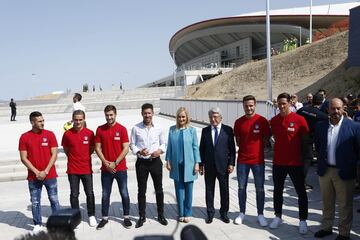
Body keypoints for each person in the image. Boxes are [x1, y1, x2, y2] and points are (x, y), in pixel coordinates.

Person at [314, 98, 360, 240]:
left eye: (339, 108)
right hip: (325, 171)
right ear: (328, 110)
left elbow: (358, 150)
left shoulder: (354, 127)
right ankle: (327, 227)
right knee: (327, 202)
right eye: (333, 108)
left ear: (343, 108)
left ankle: (344, 233)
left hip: (344, 172)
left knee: (345, 204)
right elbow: (319, 145)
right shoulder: (321, 126)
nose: (336, 111)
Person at [269, 93, 309, 234]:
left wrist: (304, 161)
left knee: (301, 192)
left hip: (295, 163)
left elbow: (306, 143)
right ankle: (277, 216)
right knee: (277, 191)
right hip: (278, 162)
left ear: (290, 103)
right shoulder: (273, 121)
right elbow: (271, 138)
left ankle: (303, 220)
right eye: (279, 104)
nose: (281, 106)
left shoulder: (300, 119)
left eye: (284, 103)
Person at [19, 111, 61, 233]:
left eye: (43, 120)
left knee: (54, 199)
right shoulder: (24, 137)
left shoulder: (50, 134)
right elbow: (23, 158)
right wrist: (37, 172)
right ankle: (37, 224)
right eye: (40, 121)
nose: (43, 123)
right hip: (34, 177)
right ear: (32, 122)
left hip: (50, 175)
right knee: (35, 201)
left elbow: (54, 154)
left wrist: (46, 171)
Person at [233, 95, 270, 226]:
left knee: (260, 188)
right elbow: (237, 140)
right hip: (242, 160)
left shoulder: (262, 121)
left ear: (255, 105)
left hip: (258, 161)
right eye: (246, 106)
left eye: (251, 105)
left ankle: (260, 214)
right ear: (243, 106)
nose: (248, 108)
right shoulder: (238, 122)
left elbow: (266, 140)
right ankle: (241, 213)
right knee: (241, 188)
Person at [130, 103, 168, 228]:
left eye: (149, 113)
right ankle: (142, 216)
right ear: (142, 114)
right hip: (141, 163)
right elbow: (132, 144)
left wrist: (159, 151)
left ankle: (161, 215)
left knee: (159, 189)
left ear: (153, 113)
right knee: (141, 190)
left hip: (155, 162)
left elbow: (164, 144)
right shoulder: (136, 128)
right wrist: (139, 151)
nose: (147, 115)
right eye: (145, 113)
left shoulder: (159, 128)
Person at [94, 105, 132, 229]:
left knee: (124, 193)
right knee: (105, 194)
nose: (109, 117)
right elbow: (97, 148)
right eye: (107, 115)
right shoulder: (100, 129)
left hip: (120, 168)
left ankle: (126, 217)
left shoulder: (122, 129)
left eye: (111, 115)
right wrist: (106, 163)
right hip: (106, 169)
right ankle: (104, 218)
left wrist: (115, 163)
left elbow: (126, 148)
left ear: (115, 114)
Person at [199, 107, 235, 224]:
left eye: (215, 117)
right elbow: (201, 149)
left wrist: (231, 163)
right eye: (211, 117)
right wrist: (201, 165)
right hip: (209, 166)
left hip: (223, 166)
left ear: (220, 117)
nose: (213, 119)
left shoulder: (228, 130)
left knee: (224, 190)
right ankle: (210, 213)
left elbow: (232, 149)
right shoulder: (205, 131)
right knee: (209, 190)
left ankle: (224, 213)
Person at [165, 107, 201, 223]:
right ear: (177, 118)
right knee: (179, 189)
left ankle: (188, 212)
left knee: (189, 190)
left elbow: (196, 148)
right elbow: (169, 147)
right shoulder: (172, 130)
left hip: (189, 165)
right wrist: (168, 161)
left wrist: (197, 163)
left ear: (187, 118)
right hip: (176, 165)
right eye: (179, 117)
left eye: (183, 117)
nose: (181, 119)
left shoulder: (192, 130)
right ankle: (180, 213)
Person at [61, 110, 97, 227]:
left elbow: (92, 149)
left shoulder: (90, 133)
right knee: (74, 194)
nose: (78, 122)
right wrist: (74, 158)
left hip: (86, 168)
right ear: (72, 119)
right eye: (76, 119)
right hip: (73, 170)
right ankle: (76, 217)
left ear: (84, 119)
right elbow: (66, 150)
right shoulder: (67, 134)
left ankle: (91, 215)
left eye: (80, 119)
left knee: (90, 193)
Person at [296, 93, 328, 190]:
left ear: (312, 100)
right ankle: (301, 182)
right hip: (308, 139)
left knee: (299, 158)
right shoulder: (322, 116)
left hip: (296, 137)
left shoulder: (302, 110)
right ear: (321, 103)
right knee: (307, 159)